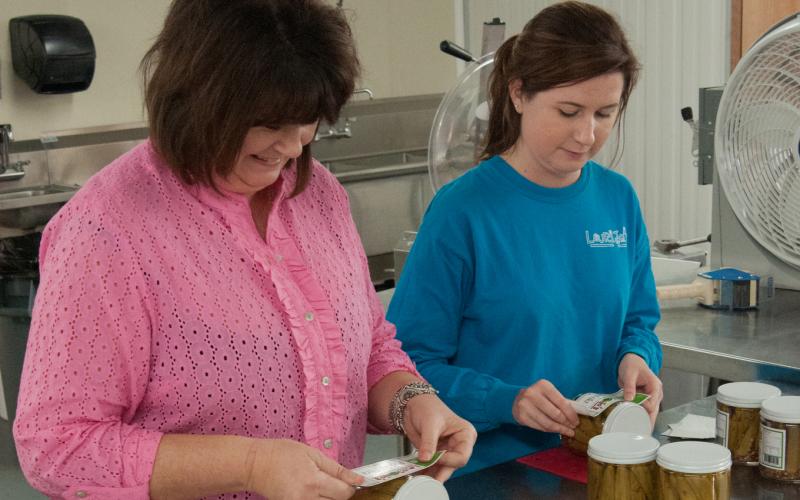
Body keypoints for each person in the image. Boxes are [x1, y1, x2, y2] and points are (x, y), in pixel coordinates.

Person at [12, 1, 476, 498]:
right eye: (271, 123)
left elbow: (369, 347)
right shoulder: (108, 231)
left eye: (309, 121)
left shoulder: (317, 192)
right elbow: (57, 446)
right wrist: (249, 465)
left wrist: (413, 401)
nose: (295, 146)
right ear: (199, 98)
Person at [387, 0, 662, 476]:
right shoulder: (463, 212)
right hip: (493, 473)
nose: (586, 133)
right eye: (569, 110)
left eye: (605, 113)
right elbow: (406, 368)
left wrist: (638, 356)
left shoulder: (617, 199)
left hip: (600, 467)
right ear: (518, 94)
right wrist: (505, 400)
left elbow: (638, 320)